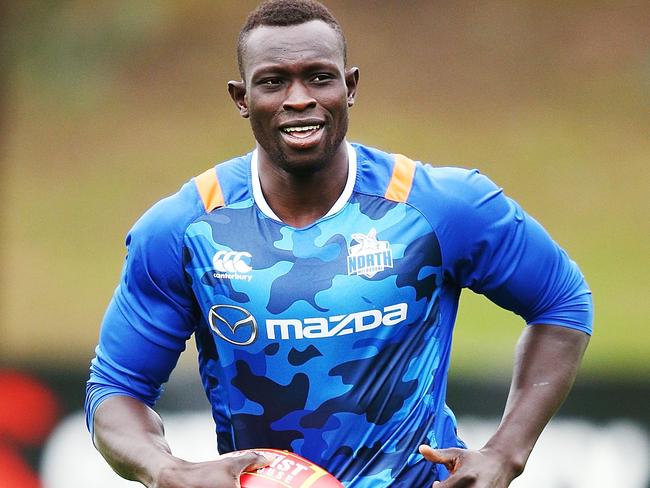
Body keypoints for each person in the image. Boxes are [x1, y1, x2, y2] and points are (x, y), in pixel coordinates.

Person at [84, 1, 593, 487]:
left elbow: (562, 300)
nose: (299, 97)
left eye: (319, 77)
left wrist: (507, 453)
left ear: (349, 87)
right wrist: (164, 469)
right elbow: (115, 389)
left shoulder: (441, 207)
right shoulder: (184, 230)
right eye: (273, 81)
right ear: (242, 98)